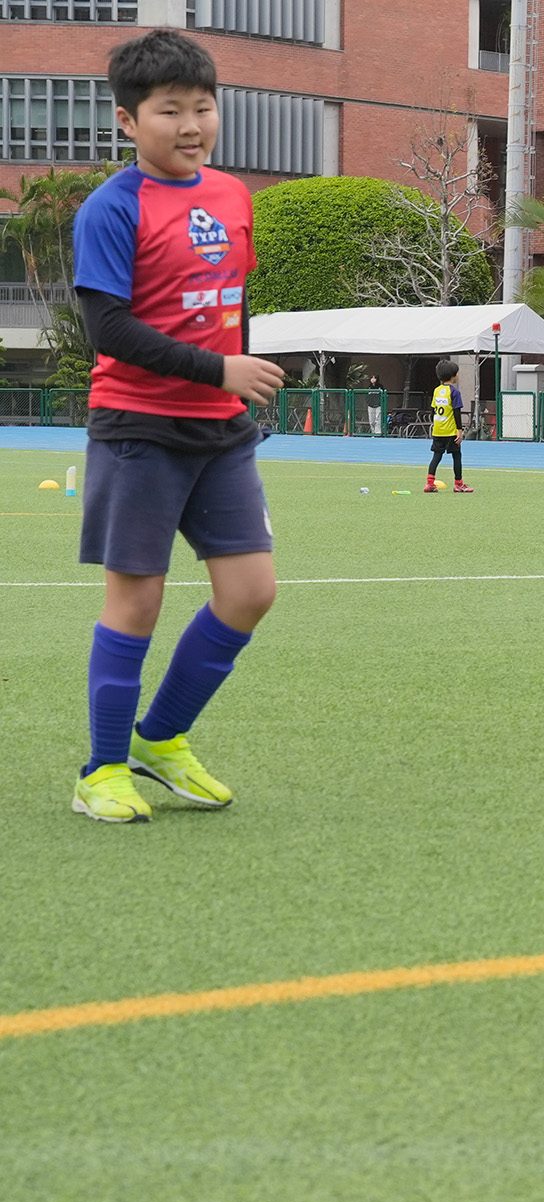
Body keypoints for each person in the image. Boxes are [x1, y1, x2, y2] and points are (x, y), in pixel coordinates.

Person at [68, 29, 286, 823]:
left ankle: (161, 738)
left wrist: (239, 376)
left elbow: (232, 301)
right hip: (138, 428)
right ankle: (101, 770)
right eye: (170, 110)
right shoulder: (111, 209)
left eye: (203, 106)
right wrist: (217, 370)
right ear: (129, 120)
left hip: (220, 430)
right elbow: (109, 330)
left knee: (251, 592)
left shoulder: (232, 196)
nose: (191, 125)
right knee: (137, 601)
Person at [424, 359, 472, 493]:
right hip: (451, 431)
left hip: (438, 430)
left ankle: (429, 483)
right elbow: (456, 412)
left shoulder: (436, 391)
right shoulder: (454, 392)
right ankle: (458, 484)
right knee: (457, 455)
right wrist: (459, 430)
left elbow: (433, 410)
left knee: (436, 456)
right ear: (453, 376)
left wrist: (435, 425)